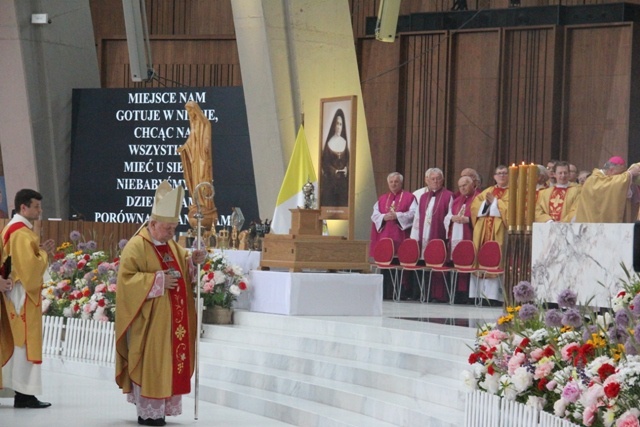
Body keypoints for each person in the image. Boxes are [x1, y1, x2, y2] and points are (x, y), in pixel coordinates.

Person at [116, 181, 206, 426]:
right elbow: (126, 281)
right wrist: (157, 281)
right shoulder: (136, 246)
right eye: (168, 228)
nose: (171, 232)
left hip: (173, 322)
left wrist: (193, 260)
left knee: (169, 363)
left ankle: (162, 409)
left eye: (174, 228)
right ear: (153, 224)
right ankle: (148, 412)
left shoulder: (170, 245)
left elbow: (183, 265)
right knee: (153, 363)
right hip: (150, 322)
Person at [0, 189, 55, 408]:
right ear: (24, 207)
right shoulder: (21, 232)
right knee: (23, 343)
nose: (39, 211)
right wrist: (43, 254)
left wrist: (38, 251)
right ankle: (24, 393)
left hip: (17, 292)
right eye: (36, 207)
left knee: (19, 343)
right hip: (22, 295)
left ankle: (22, 392)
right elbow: (30, 273)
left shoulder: (15, 229)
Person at [370, 172, 416, 299]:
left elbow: (414, 214)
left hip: (401, 236)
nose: (393, 184)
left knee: (400, 265)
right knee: (385, 265)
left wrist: (398, 215)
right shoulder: (382, 199)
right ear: (388, 183)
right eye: (391, 182)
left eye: (396, 181)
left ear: (401, 183)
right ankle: (386, 292)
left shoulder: (409, 197)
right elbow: (374, 215)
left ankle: (401, 292)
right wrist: (384, 216)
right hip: (385, 236)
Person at [410, 168, 454, 302]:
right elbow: (417, 218)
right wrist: (415, 237)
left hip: (438, 234)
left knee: (438, 264)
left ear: (443, 180)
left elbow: (450, 216)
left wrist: (447, 236)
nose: (435, 181)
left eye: (438, 178)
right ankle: (423, 294)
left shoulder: (448, 195)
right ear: (426, 180)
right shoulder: (423, 197)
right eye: (432, 179)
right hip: (423, 235)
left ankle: (438, 295)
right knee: (424, 264)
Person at [469, 165, 510, 305]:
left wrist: (496, 202)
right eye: (499, 173)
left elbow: (511, 210)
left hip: (499, 231)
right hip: (483, 231)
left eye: (505, 173)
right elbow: (474, 207)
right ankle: (479, 295)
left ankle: (494, 296)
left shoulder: (514, 192)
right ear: (494, 176)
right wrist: (486, 204)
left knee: (496, 257)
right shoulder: (488, 191)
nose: (502, 176)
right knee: (481, 258)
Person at [444, 175, 479, 304]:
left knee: (468, 262)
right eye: (460, 186)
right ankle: (456, 295)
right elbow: (447, 216)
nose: (462, 188)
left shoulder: (478, 198)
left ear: (473, 184)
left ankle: (467, 296)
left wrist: (468, 220)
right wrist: (452, 218)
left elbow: (482, 218)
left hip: (469, 235)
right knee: (455, 263)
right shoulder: (456, 200)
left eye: (465, 185)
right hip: (455, 236)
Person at [574, 156, 640, 223]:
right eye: (620, 173)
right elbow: (608, 186)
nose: (621, 175)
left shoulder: (609, 179)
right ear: (611, 170)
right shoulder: (593, 180)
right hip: (591, 222)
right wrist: (629, 174)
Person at [320, 109, 349, 207]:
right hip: (331, 184)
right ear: (333, 125)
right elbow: (325, 163)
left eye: (341, 124)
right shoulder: (328, 144)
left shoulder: (345, 143)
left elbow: (348, 161)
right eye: (337, 124)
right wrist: (334, 171)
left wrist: (346, 169)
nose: (339, 127)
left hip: (343, 185)